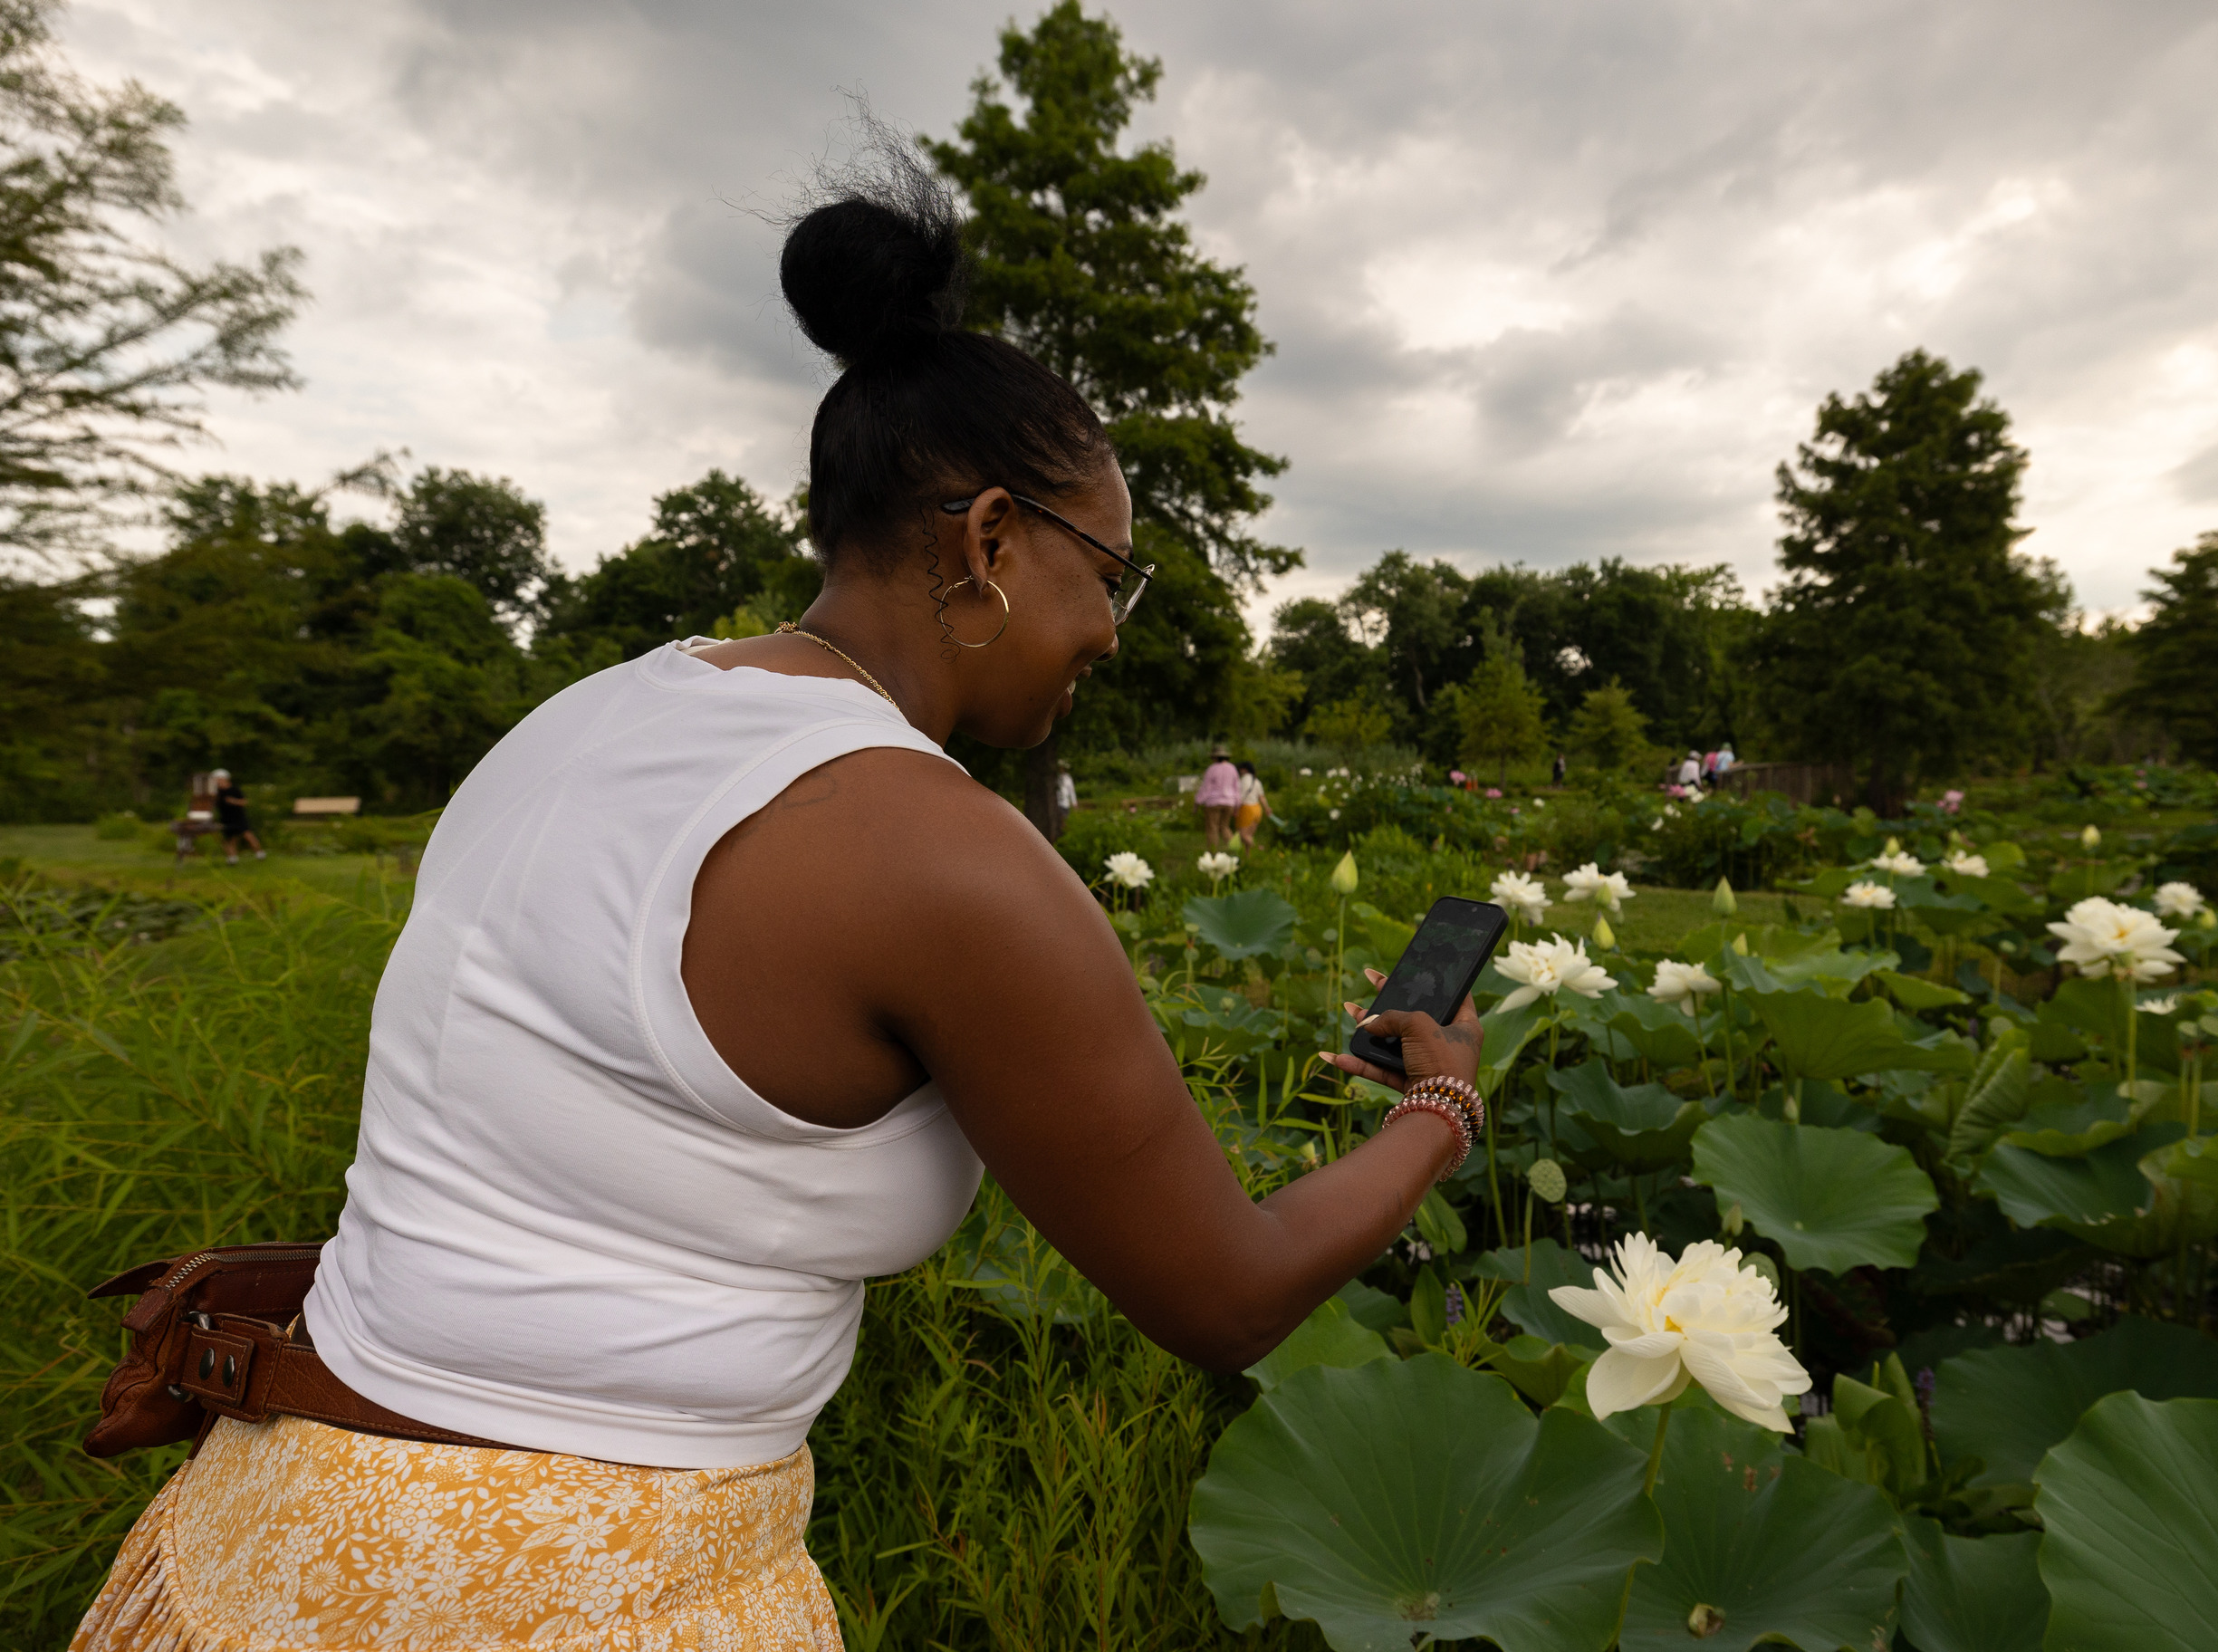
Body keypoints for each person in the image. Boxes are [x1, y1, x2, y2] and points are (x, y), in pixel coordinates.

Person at [73, 141, 1483, 1652]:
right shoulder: (945, 855)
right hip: (556, 1582)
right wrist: (1440, 1110)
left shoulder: (584, 714)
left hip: (280, 1521)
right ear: (993, 543)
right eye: (1109, 578)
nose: (1112, 633)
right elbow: (1230, 1288)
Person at [210, 769, 265, 863]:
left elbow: (244, 802)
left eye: (218, 779)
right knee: (230, 839)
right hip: (225, 818)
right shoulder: (216, 792)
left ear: (225, 779)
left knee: (248, 835)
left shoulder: (234, 790)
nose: (216, 781)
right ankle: (232, 858)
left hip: (238, 817)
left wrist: (233, 801)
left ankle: (259, 853)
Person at [1195, 743, 1242, 847]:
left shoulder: (1212, 769)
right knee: (1225, 827)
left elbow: (1206, 788)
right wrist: (1237, 806)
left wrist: (1197, 802)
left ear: (1215, 757)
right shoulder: (1232, 769)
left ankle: (1213, 855)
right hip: (1229, 802)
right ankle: (1237, 850)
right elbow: (1237, 788)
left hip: (1213, 803)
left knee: (1212, 828)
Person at [1234, 760, 1268, 848]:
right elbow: (1262, 797)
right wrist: (1267, 808)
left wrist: (1235, 809)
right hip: (1257, 809)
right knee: (1249, 836)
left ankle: (1258, 848)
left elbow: (1240, 798)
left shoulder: (1243, 780)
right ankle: (1248, 857)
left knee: (1243, 835)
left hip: (1246, 809)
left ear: (1244, 770)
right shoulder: (1256, 781)